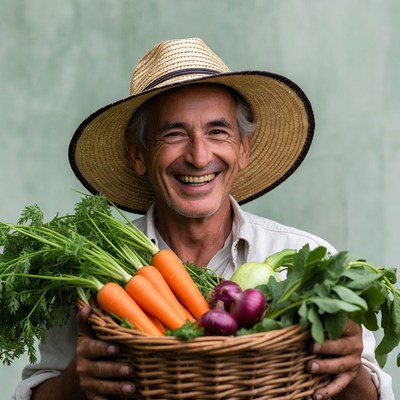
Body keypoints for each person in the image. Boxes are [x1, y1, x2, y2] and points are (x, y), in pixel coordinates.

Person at [12, 38, 394, 400]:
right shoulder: (89, 280)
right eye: (174, 133)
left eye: (217, 131)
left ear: (244, 149)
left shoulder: (309, 261)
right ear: (138, 154)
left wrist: (349, 370)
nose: (198, 156)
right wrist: (78, 383)